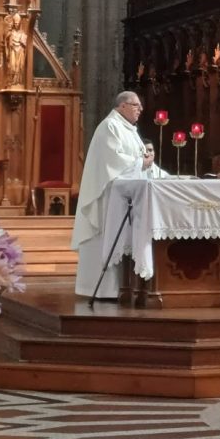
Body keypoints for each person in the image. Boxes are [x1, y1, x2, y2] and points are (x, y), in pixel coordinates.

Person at [72, 91, 153, 298]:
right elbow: (112, 160)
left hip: (126, 198)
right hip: (108, 198)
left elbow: (144, 161)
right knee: (104, 240)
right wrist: (139, 163)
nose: (140, 109)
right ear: (122, 106)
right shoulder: (110, 126)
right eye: (136, 105)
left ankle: (121, 289)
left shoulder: (130, 130)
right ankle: (100, 290)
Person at [3, 12, 27, 87]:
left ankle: (18, 82)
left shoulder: (22, 33)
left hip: (20, 52)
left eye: (18, 23)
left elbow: (25, 44)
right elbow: (5, 41)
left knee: (19, 67)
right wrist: (8, 37)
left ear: (20, 23)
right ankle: (12, 82)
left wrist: (22, 40)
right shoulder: (11, 33)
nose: (16, 24)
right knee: (12, 66)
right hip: (13, 51)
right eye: (15, 23)